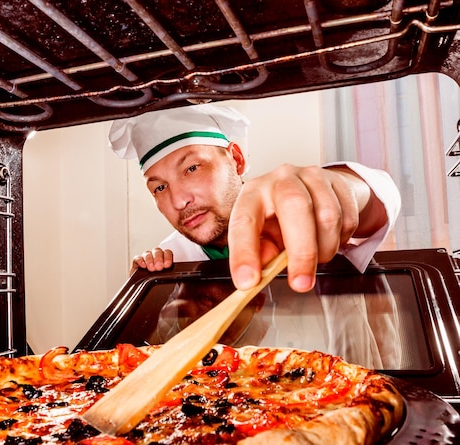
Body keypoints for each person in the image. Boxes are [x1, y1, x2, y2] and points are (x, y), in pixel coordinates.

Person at [108, 104, 402, 369]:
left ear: (236, 159)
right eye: (159, 187)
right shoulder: (170, 266)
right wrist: (143, 301)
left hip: (348, 403)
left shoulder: (298, 210)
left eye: (191, 168)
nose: (178, 201)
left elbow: (375, 200)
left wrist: (337, 187)